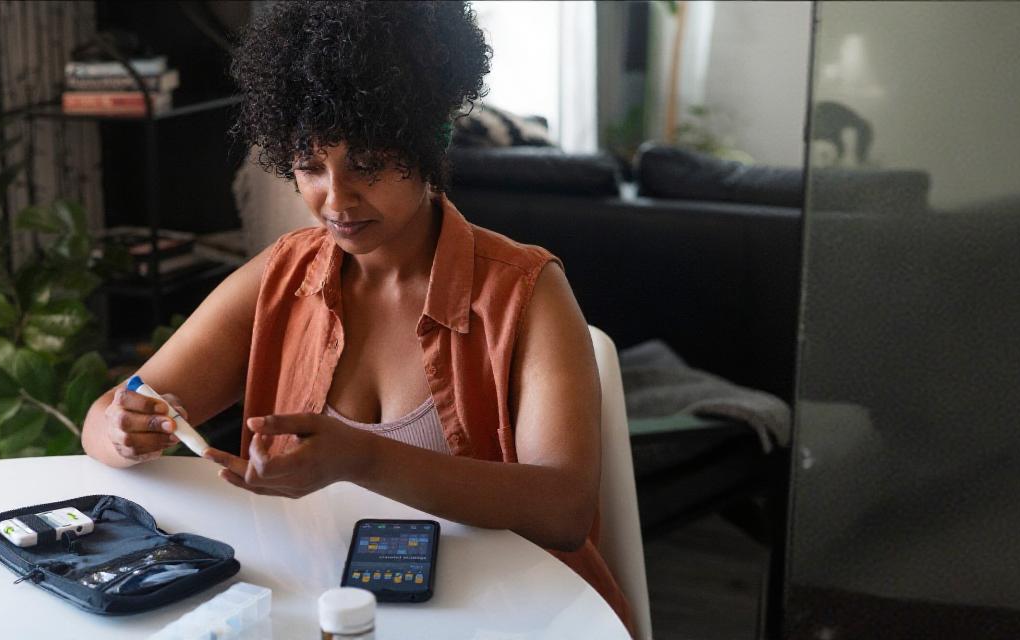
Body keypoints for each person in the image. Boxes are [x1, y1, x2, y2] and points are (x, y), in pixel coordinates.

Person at [79, 1, 632, 629]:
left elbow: (562, 507)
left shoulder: (526, 291)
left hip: (510, 616)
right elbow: (106, 416)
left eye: (366, 166)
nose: (335, 200)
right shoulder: (281, 279)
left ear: (428, 145)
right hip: (326, 608)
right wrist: (124, 432)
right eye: (311, 166)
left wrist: (361, 458)